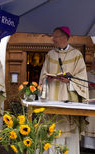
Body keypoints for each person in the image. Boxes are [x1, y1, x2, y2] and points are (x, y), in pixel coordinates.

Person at [39, 26, 89, 154]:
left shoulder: (77, 55)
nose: (52, 39)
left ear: (64, 37)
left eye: (55, 36)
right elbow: (43, 75)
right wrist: (48, 78)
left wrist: (70, 81)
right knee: (51, 131)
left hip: (68, 99)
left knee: (68, 135)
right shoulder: (50, 55)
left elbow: (82, 77)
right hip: (51, 99)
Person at [82, 57, 95, 150]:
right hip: (91, 102)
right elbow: (82, 87)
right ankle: (89, 146)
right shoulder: (87, 74)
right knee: (90, 123)